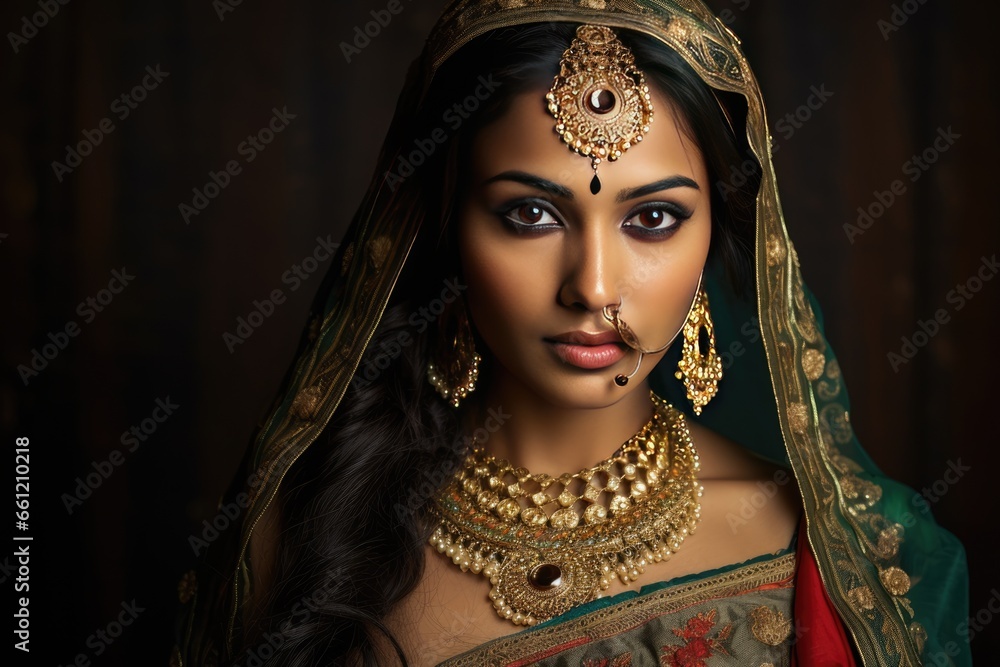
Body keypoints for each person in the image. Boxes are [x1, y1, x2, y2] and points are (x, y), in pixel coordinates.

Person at [172, 1, 970, 665]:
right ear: (446, 231)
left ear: (718, 242)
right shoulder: (302, 535)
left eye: (653, 219)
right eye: (530, 214)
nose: (591, 286)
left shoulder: (854, 558)